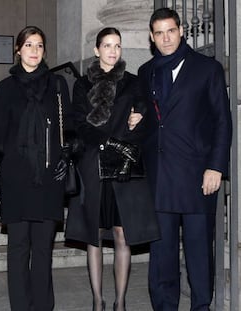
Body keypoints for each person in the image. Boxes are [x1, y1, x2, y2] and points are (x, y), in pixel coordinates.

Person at [134, 8, 232, 311]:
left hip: (196, 176)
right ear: (151, 37)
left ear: (181, 32)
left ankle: (201, 306)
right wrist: (137, 120)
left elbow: (222, 121)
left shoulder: (207, 68)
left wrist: (215, 166)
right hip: (160, 177)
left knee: (199, 254)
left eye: (171, 31)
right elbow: (152, 121)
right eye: (159, 33)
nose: (165, 38)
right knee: (161, 257)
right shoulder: (145, 71)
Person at [65, 27, 160, 311]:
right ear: (97, 50)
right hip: (93, 164)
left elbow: (145, 118)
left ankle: (120, 301)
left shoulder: (132, 82)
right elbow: (79, 124)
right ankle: (98, 300)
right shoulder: (82, 84)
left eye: (117, 46)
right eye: (107, 45)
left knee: (122, 234)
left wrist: (137, 122)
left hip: (123, 166)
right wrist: (107, 141)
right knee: (94, 235)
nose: (113, 51)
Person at [0, 25, 73, 311]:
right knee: (17, 250)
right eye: (28, 45)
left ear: (45, 50)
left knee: (42, 251)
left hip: (48, 178)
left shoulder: (58, 85)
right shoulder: (5, 88)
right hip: (15, 177)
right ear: (18, 50)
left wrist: (67, 155)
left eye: (39, 46)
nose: (34, 51)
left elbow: (69, 129)